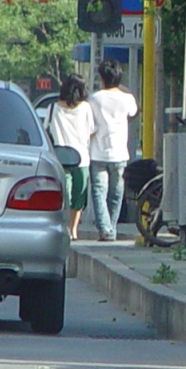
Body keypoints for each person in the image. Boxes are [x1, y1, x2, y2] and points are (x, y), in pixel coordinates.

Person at [88, 59, 138, 242]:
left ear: (101, 78)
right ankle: (111, 229)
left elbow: (90, 124)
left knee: (99, 193)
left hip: (98, 153)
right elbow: (133, 113)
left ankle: (105, 229)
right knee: (116, 194)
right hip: (119, 153)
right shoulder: (127, 99)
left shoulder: (93, 99)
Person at [47, 74, 95, 241]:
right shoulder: (86, 108)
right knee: (79, 196)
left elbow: (48, 129)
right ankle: (73, 230)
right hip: (82, 157)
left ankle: (66, 227)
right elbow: (91, 130)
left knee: (64, 194)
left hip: (60, 158)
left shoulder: (53, 108)